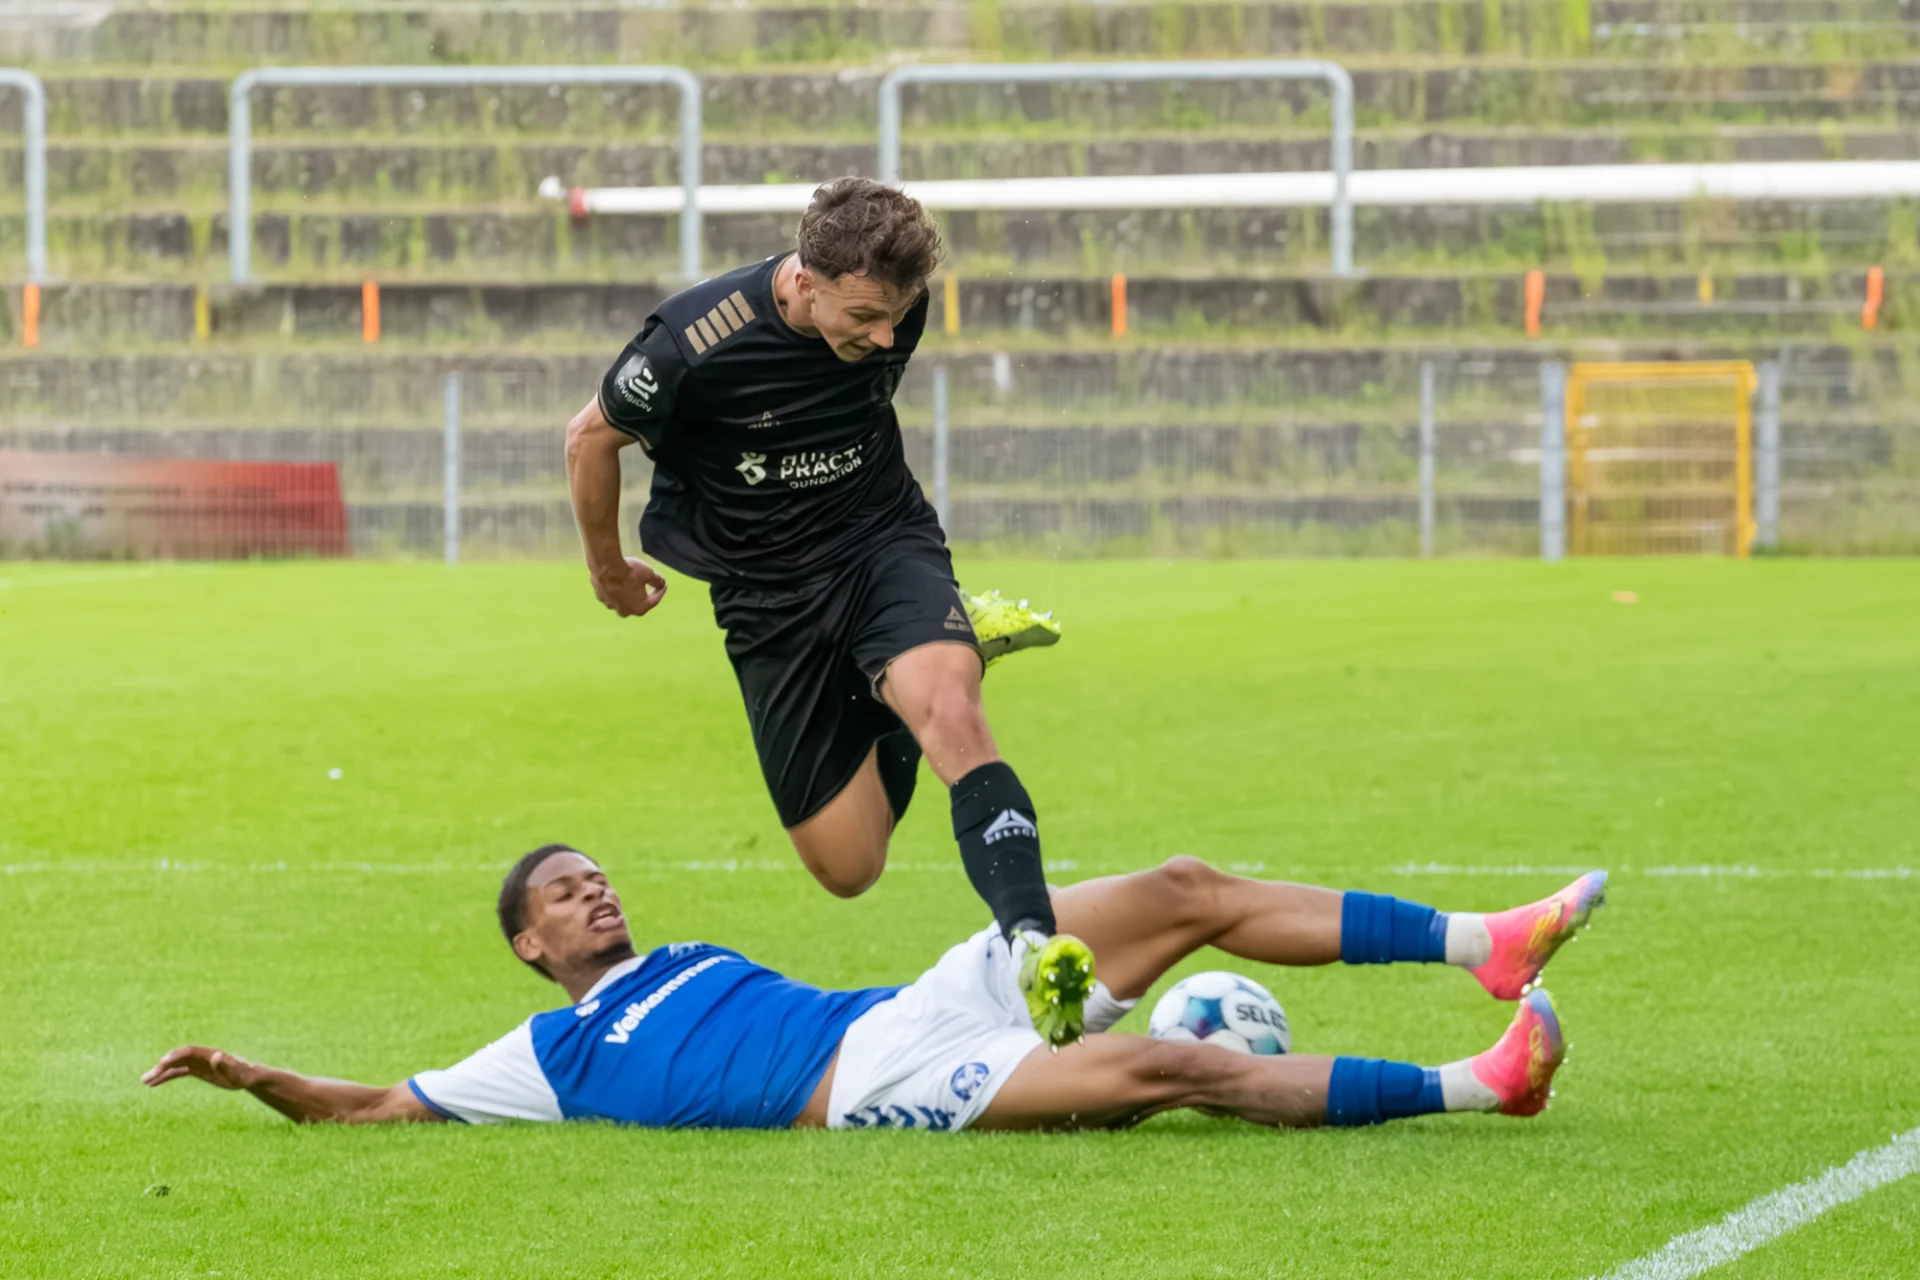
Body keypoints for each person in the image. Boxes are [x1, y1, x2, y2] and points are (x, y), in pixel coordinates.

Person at [562, 177, 1089, 1043]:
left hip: (880, 543)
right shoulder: (689, 346)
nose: (887, 337)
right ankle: (897, 685)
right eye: (865, 317)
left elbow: (878, 336)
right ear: (805, 281)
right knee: (849, 867)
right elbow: (588, 437)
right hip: (767, 598)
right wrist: (607, 567)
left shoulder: (897, 306)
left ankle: (1032, 943)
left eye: (897, 315)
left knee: (953, 713)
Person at [142, 845, 1608, 1134]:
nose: (594, 893)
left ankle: (1482, 940)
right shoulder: (541, 1053)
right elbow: (370, 1108)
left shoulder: (691, 959)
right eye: (563, 895)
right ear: (530, 945)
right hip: (884, 1086)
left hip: (903, 1003)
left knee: (1180, 890)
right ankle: (1480, 1084)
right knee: (1173, 1073)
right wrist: (249, 1074)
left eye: (598, 876)